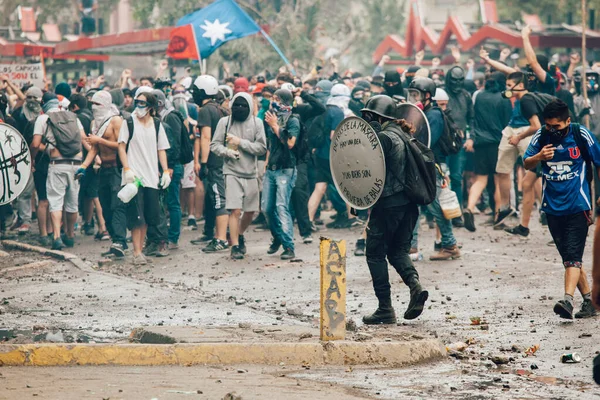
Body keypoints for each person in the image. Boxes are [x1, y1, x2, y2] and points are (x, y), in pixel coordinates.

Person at [523, 99, 598, 319]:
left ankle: (567, 300)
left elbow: (599, 161)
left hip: (578, 205)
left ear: (567, 121)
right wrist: (539, 157)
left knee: (573, 255)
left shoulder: (580, 134)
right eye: (548, 126)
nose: (552, 130)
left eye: (556, 126)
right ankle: (589, 301)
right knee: (569, 258)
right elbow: (526, 162)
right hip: (552, 208)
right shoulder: (541, 136)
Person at [360, 95, 428, 324]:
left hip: (389, 204)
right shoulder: (404, 134)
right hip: (409, 205)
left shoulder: (387, 137)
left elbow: (373, 154)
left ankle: (385, 308)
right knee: (398, 251)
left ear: (377, 117)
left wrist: (373, 132)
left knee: (375, 254)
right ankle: (415, 286)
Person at [407, 78, 460, 260]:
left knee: (436, 206)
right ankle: (411, 247)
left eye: (417, 95)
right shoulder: (422, 113)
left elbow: (427, 142)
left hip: (432, 166)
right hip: (421, 165)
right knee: (413, 205)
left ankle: (450, 245)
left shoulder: (434, 115)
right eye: (411, 94)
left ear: (427, 96)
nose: (413, 98)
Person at [211, 92, 266, 259]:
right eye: (237, 105)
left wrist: (240, 143)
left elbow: (262, 148)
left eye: (244, 106)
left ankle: (239, 234)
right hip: (231, 172)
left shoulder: (257, 123)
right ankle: (235, 246)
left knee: (250, 211)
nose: (240, 109)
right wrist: (227, 152)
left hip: (251, 173)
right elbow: (214, 145)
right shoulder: (224, 122)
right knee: (234, 210)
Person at [118, 92, 171, 265]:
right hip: (135, 178)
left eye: (142, 103)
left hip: (151, 178)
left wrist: (164, 171)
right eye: (136, 102)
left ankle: (140, 250)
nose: (138, 106)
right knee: (136, 217)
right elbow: (121, 146)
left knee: (148, 217)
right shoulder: (129, 122)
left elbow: (161, 149)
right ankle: (136, 252)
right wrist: (127, 169)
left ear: (150, 106)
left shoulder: (156, 125)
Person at [31, 93, 89, 250]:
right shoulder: (73, 117)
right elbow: (84, 138)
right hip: (76, 163)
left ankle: (56, 237)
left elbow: (36, 144)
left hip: (57, 163)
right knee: (72, 202)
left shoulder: (44, 118)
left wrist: (32, 159)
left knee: (56, 201)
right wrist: (93, 158)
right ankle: (70, 235)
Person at [500, 72, 554, 237]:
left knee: (546, 186)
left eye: (510, 85)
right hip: (551, 140)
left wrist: (518, 137)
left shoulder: (525, 100)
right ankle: (524, 226)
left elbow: (536, 126)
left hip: (555, 142)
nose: (507, 89)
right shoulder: (528, 97)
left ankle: (555, 226)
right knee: (527, 183)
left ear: (520, 85)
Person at [76, 90, 128, 257]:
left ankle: (120, 240)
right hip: (102, 170)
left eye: (97, 104)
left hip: (116, 169)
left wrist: (100, 140)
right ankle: (115, 241)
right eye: (92, 104)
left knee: (116, 205)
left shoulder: (116, 120)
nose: (94, 107)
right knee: (105, 207)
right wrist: (83, 166)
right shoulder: (94, 123)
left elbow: (121, 145)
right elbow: (94, 148)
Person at [463, 73, 512, 231]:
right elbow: (507, 123)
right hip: (497, 143)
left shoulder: (479, 96)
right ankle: (498, 217)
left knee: (480, 180)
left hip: (480, 143)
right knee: (498, 180)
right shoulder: (503, 98)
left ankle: (469, 208)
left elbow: (473, 118)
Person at [190, 76, 229, 252]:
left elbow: (206, 137)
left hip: (215, 162)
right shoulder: (221, 109)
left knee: (219, 200)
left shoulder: (205, 111)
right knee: (218, 198)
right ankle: (219, 235)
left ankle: (221, 239)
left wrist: (204, 163)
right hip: (225, 161)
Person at [263, 89, 299, 260]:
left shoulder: (293, 120)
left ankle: (288, 246)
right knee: (266, 208)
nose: (272, 101)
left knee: (281, 206)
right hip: (271, 169)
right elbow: (271, 144)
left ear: (284, 101)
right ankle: (277, 236)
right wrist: (266, 163)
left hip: (286, 169)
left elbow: (290, 143)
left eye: (276, 99)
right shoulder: (273, 118)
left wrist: (275, 126)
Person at [444, 66, 474, 228]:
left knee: (456, 177)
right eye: (454, 80)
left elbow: (472, 119)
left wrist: (471, 138)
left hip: (459, 142)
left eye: (459, 80)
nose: (456, 83)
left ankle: (456, 214)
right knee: (439, 176)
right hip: (442, 141)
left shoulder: (465, 96)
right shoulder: (441, 94)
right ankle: (434, 214)